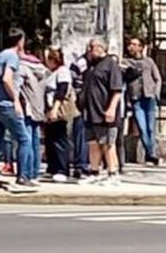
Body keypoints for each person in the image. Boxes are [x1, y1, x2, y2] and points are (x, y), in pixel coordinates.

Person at [0, 28, 36, 189]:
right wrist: (15, 99)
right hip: (7, 104)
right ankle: (23, 176)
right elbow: (7, 78)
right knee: (24, 139)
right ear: (20, 41)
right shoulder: (12, 57)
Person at [78, 38, 123, 186]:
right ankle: (94, 171)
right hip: (90, 112)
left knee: (107, 144)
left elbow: (116, 89)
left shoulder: (111, 64)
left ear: (100, 48)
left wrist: (111, 109)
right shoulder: (91, 65)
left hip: (104, 111)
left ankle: (112, 173)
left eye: (91, 47)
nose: (89, 50)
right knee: (93, 143)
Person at [123, 37, 162, 166]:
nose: (131, 47)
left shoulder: (149, 62)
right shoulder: (126, 62)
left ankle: (150, 155)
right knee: (142, 128)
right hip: (136, 98)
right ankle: (151, 154)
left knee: (151, 128)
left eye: (134, 44)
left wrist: (156, 93)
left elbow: (158, 78)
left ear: (141, 47)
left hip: (149, 97)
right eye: (130, 44)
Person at [43, 47, 74, 182]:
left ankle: (62, 168)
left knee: (60, 139)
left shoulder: (62, 72)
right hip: (48, 108)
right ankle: (52, 167)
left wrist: (55, 108)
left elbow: (62, 90)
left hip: (58, 108)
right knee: (50, 139)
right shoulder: (49, 73)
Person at [19, 43, 48, 181]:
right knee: (35, 140)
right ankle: (35, 170)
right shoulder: (43, 70)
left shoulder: (23, 68)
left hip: (27, 108)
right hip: (39, 108)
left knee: (26, 139)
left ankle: (27, 171)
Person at [69, 48, 91, 178]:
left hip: (93, 104)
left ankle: (87, 164)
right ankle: (81, 165)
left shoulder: (99, 63)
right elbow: (73, 80)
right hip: (82, 104)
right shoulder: (81, 63)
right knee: (81, 133)